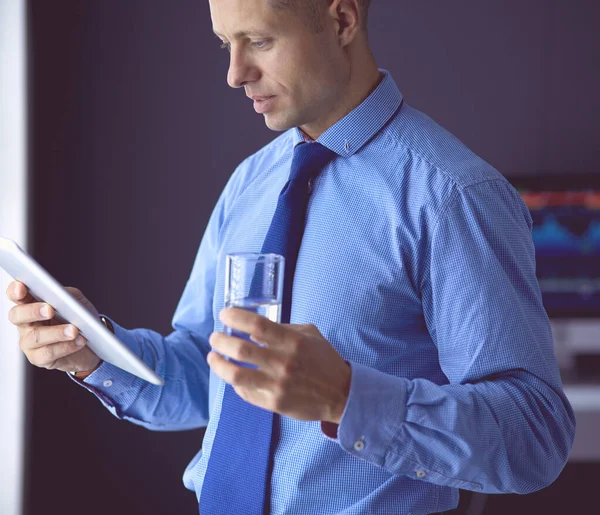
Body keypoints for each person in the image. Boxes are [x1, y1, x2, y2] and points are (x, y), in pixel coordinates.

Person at [7, 0, 576, 513]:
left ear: (342, 20)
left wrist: (345, 396)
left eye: (259, 41)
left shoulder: (451, 193)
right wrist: (91, 351)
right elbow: (204, 373)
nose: (234, 74)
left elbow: (534, 438)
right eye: (224, 44)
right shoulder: (251, 183)